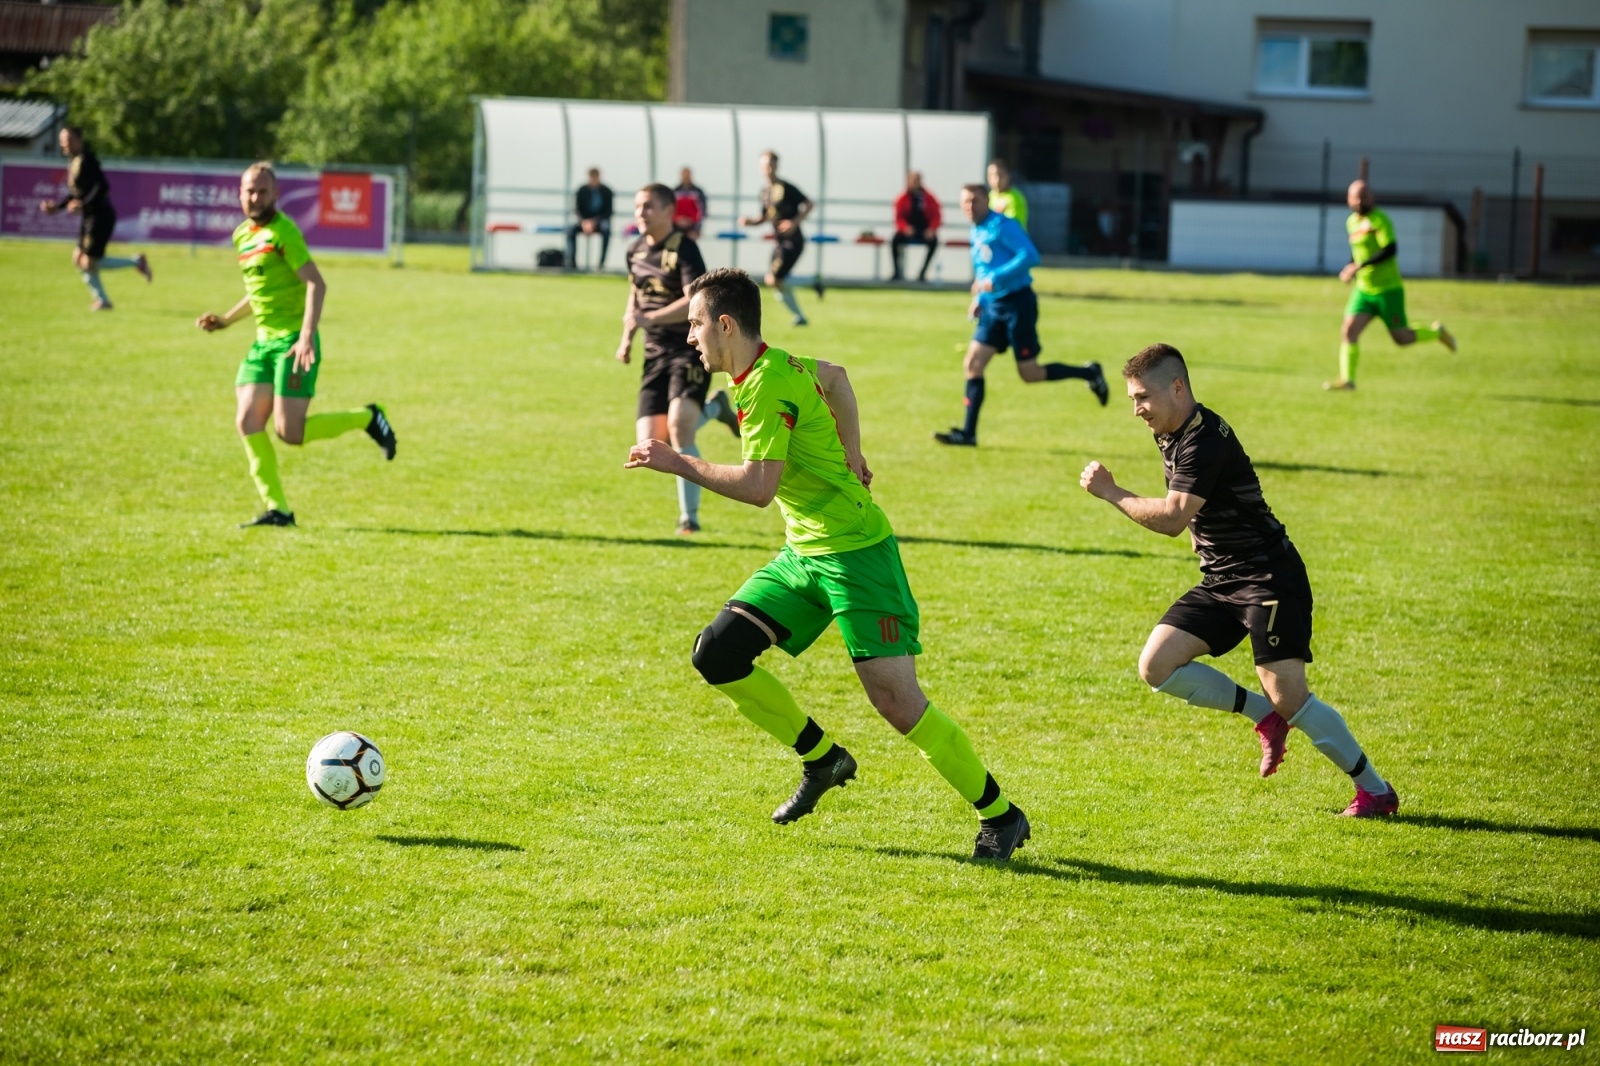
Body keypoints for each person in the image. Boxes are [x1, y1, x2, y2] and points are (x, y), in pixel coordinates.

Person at [625, 267, 1031, 860]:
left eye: (693, 323)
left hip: (856, 555)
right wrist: (853, 450)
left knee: (896, 702)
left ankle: (1002, 815)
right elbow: (838, 379)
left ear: (726, 324)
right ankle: (822, 758)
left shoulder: (763, 385)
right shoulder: (772, 364)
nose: (689, 336)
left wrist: (679, 461)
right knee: (718, 653)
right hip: (805, 553)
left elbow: (759, 488)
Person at [1079, 344, 1399, 818]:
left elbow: (1170, 516)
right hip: (1222, 576)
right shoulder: (1171, 427)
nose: (1136, 409)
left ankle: (1375, 791)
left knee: (1290, 697)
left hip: (1268, 577)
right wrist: (1199, 533)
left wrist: (1111, 491)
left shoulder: (1202, 439)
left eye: (1142, 397)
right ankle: (1263, 717)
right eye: (1132, 399)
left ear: (1178, 387)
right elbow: (1194, 503)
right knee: (1157, 666)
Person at [195, 162, 396, 529]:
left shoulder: (283, 232)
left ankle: (369, 416)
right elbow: (260, 293)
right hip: (262, 345)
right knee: (247, 420)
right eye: (248, 191)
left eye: (262, 191)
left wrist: (305, 337)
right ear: (239, 194)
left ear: (275, 195)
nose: (254, 197)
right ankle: (278, 510)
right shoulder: (243, 235)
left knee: (290, 433)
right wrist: (226, 320)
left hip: (292, 343)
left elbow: (316, 284)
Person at [934, 185, 1107, 447]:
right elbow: (983, 270)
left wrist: (996, 277)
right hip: (993, 308)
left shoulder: (1003, 225)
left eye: (974, 201)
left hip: (1018, 305)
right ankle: (968, 433)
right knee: (973, 363)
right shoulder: (976, 230)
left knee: (1030, 373)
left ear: (987, 200)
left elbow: (1030, 255)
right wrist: (979, 299)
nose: (969, 206)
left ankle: (1089, 373)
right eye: (965, 202)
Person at [617, 183, 740, 534]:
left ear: (670, 211)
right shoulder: (635, 250)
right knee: (650, 442)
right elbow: (635, 297)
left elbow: (693, 302)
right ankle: (715, 409)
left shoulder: (685, 248)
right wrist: (627, 337)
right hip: (654, 354)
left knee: (679, 429)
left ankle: (690, 518)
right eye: (638, 206)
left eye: (649, 207)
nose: (641, 213)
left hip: (688, 348)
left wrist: (651, 319)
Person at [1326, 180, 1456, 391]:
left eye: (1364, 195)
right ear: (1348, 199)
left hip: (1388, 290)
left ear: (1372, 197)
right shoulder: (1351, 222)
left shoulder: (1380, 220)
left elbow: (1390, 250)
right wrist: (1349, 268)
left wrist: (1360, 266)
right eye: (1356, 197)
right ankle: (1347, 380)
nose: (1360, 200)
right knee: (1348, 330)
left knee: (1402, 338)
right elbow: (1357, 252)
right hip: (1364, 290)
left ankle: (1437, 333)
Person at [38, 126, 151, 311]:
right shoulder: (74, 161)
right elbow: (76, 194)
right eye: (62, 140)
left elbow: (102, 187)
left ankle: (136, 263)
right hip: (90, 217)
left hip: (101, 216)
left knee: (89, 262)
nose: (63, 144)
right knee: (78, 258)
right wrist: (57, 208)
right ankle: (103, 300)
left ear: (78, 140)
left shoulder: (87, 160)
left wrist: (82, 204)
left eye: (67, 140)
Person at [740, 150, 813, 327]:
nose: (768, 169)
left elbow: (809, 203)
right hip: (779, 241)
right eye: (765, 165)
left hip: (793, 240)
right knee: (774, 280)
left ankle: (810, 291)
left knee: (774, 279)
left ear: (776, 166)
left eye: (771, 165)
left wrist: (794, 223)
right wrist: (750, 222)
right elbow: (764, 217)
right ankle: (802, 310)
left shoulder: (785, 188)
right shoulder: (765, 192)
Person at [890, 170, 942, 282]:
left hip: (924, 230)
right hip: (908, 230)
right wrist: (905, 228)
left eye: (917, 180)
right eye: (913, 180)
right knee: (895, 240)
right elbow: (898, 218)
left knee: (934, 242)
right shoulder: (902, 198)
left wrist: (931, 229)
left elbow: (936, 216)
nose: (915, 183)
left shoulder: (929, 198)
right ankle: (896, 272)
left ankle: (922, 273)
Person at [567, 168, 614, 271]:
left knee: (607, 230)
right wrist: (584, 221)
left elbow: (609, 212)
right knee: (571, 229)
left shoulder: (607, 191)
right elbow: (577, 209)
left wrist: (595, 221)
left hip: (600, 221)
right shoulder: (581, 190)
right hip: (584, 221)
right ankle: (572, 262)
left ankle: (601, 263)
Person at [987, 159, 1028, 230]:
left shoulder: (1014, 197)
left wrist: (995, 215)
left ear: (1008, 176)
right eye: (992, 175)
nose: (997, 180)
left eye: (1000, 175)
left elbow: (1011, 228)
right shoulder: (990, 196)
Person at [673, 166, 708, 240]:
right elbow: (670, 210)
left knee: (690, 244)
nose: (686, 177)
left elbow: (702, 212)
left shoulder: (698, 192)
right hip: (676, 226)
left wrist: (697, 229)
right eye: (684, 175)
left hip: (692, 226)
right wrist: (678, 220)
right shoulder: (674, 192)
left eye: (687, 175)